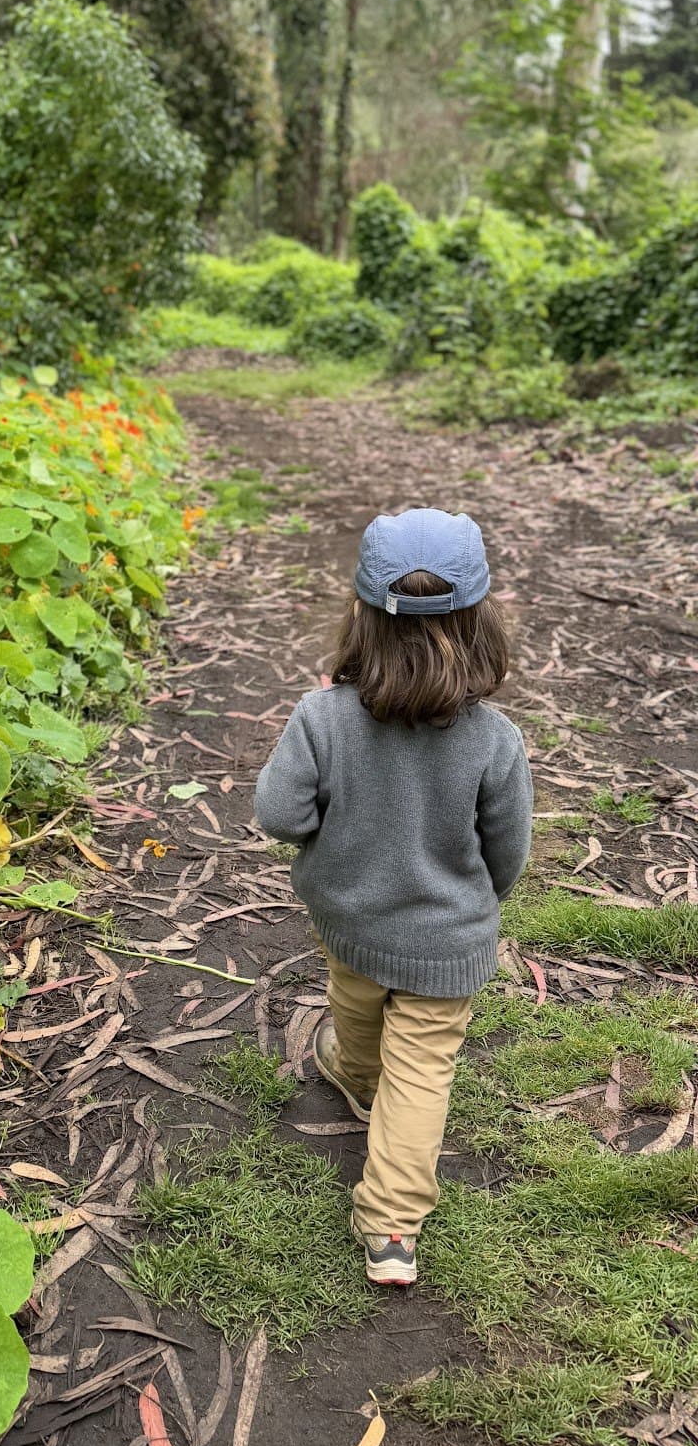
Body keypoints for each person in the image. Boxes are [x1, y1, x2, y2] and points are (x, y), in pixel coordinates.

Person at [254, 507, 533, 1286]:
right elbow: (506, 851)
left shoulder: (323, 717)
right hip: (447, 938)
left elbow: (280, 814)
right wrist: (477, 902)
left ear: (362, 620)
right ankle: (390, 1228)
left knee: (356, 994)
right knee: (424, 1070)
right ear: (480, 625)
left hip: (349, 915)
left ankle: (354, 1069)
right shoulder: (493, 739)